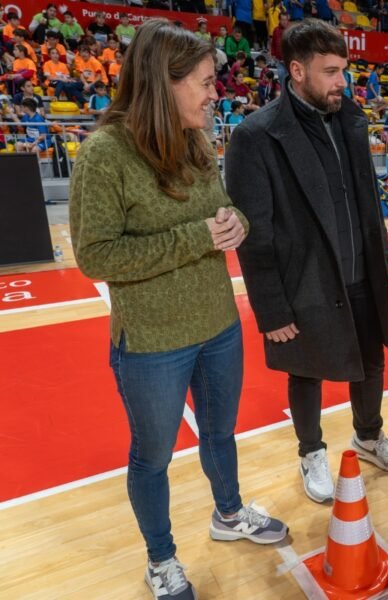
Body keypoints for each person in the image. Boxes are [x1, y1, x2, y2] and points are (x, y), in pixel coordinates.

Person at [68, 20, 288, 600]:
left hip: (217, 326)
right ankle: (161, 559)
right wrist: (200, 237)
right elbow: (95, 256)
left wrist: (235, 223)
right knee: (153, 456)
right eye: (205, 82)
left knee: (220, 433)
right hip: (150, 343)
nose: (215, 92)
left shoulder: (195, 140)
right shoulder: (103, 155)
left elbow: (224, 212)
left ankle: (229, 512)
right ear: (163, 85)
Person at [224, 19, 388, 504]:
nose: (341, 83)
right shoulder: (256, 135)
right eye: (331, 72)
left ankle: (368, 437)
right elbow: (252, 231)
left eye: (343, 71)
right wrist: (271, 309)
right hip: (302, 278)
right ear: (297, 70)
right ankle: (311, 451)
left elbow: (367, 198)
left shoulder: (350, 117)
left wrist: (382, 258)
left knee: (371, 362)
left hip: (361, 270)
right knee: (305, 371)